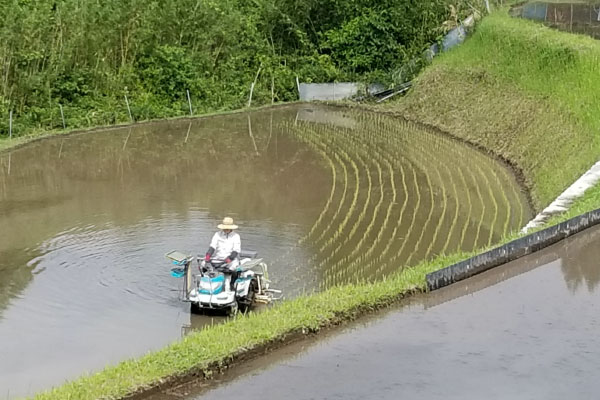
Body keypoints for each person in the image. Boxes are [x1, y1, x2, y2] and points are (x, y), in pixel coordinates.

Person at [203, 217, 241, 290]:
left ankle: (232, 284)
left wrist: (229, 259)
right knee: (203, 264)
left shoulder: (236, 236)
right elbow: (212, 246)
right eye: (225, 228)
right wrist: (207, 256)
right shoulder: (217, 234)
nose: (226, 229)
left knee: (235, 268)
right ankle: (206, 282)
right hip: (218, 258)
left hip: (231, 259)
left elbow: (236, 250)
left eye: (228, 228)